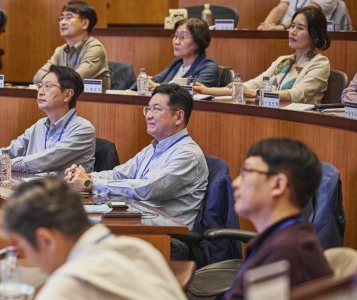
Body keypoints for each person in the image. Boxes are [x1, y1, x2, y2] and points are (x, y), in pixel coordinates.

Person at [0, 177, 186, 300]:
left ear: (46, 240)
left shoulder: (68, 286)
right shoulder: (139, 249)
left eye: (22, 246)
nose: (28, 259)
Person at [65, 83, 208, 228]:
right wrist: (85, 177)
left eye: (156, 109)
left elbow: (147, 188)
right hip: (139, 221)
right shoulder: (153, 148)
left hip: (166, 235)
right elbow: (119, 174)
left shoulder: (188, 155)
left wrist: (91, 184)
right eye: (148, 109)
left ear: (178, 116)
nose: (149, 116)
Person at [223, 138, 332, 299]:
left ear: (278, 185)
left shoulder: (285, 253)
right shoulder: (284, 238)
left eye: (246, 172)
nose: (235, 183)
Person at [0, 65, 95, 174]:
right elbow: (12, 151)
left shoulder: (83, 129)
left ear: (67, 95)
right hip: (36, 193)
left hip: (66, 200)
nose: (41, 91)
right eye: (40, 86)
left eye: (48, 86)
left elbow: (46, 159)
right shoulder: (40, 125)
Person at [195, 6, 331, 104]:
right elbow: (253, 84)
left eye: (300, 28)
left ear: (315, 36)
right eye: (292, 26)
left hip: (299, 121)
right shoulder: (283, 60)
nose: (292, 31)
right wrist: (208, 90)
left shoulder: (320, 63)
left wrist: (255, 94)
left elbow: (296, 95)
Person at [33, 1, 110, 91]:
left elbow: (75, 80)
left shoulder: (94, 48)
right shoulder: (60, 51)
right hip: (66, 100)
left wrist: (51, 80)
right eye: (61, 18)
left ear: (84, 23)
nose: (63, 22)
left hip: (94, 103)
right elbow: (38, 77)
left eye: (69, 17)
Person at [135, 18, 219, 90]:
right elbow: (155, 80)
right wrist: (146, 82)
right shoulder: (177, 63)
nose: (176, 42)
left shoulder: (208, 67)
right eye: (175, 36)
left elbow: (191, 91)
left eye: (182, 37)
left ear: (198, 42)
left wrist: (156, 86)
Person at [258, 0, 338, 30]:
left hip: (307, 36)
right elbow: (280, 9)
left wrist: (282, 27)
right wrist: (265, 26)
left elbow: (306, 13)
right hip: (282, 34)